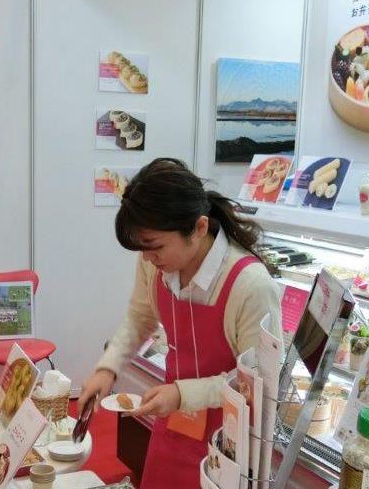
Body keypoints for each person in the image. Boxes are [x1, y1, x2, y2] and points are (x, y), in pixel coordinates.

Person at [78, 158, 282, 488]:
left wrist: (182, 394)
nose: (146, 258)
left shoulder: (250, 286)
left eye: (154, 247)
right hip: (172, 422)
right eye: (142, 248)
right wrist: (107, 368)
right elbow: (139, 317)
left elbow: (255, 387)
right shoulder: (155, 264)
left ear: (199, 228)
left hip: (228, 441)